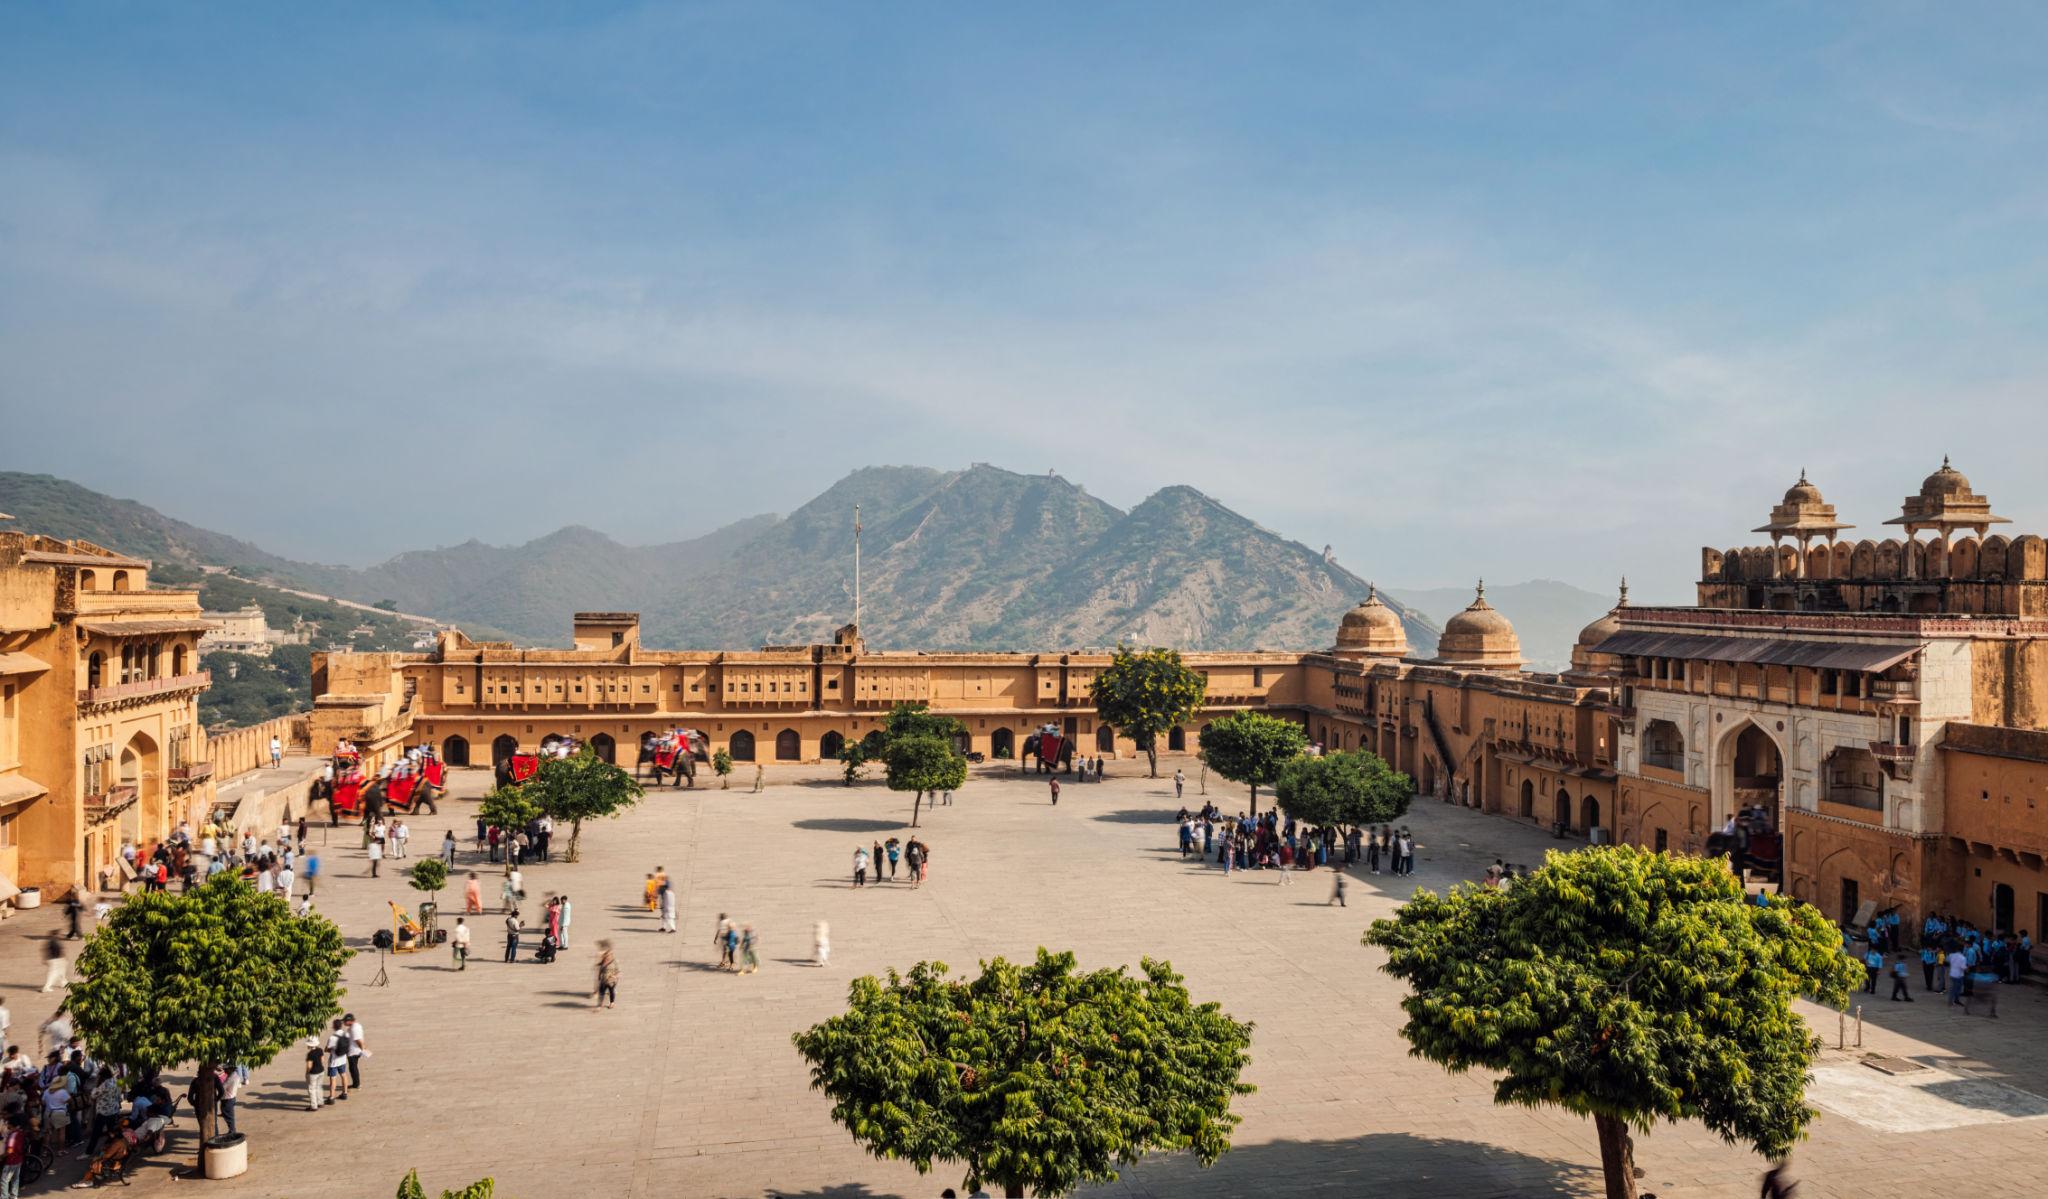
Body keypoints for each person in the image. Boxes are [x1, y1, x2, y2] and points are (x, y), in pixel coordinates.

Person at [324, 1020, 350, 1103]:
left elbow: (326, 1049)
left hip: (334, 1061)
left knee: (333, 1078)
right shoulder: (346, 1034)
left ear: (334, 1026)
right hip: (343, 1059)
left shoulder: (332, 1038)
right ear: (341, 1026)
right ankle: (345, 1093)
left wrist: (332, 1049)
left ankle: (332, 1097)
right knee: (343, 1075)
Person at [341, 1015, 365, 1090]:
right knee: (353, 1067)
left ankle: (356, 1084)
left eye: (345, 1021)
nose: (344, 1023)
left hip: (353, 1052)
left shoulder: (354, 1028)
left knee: (353, 1068)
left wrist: (363, 1049)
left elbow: (358, 1040)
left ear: (349, 1021)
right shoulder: (356, 1026)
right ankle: (356, 1083)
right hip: (354, 1050)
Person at [303, 1037, 325, 1111]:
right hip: (321, 1071)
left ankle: (313, 1106)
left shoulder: (310, 1054)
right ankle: (320, 1102)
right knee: (319, 1087)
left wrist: (307, 1073)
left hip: (313, 1073)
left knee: (312, 1089)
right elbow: (322, 1060)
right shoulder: (320, 1050)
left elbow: (309, 1065)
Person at [594, 941, 619, 1008]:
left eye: (608, 956)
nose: (606, 958)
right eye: (605, 957)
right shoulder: (603, 962)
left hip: (611, 981)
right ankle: (600, 1004)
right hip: (604, 980)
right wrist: (599, 976)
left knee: (611, 991)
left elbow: (618, 971)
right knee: (601, 993)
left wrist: (615, 977)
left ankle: (612, 1003)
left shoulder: (614, 962)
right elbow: (601, 969)